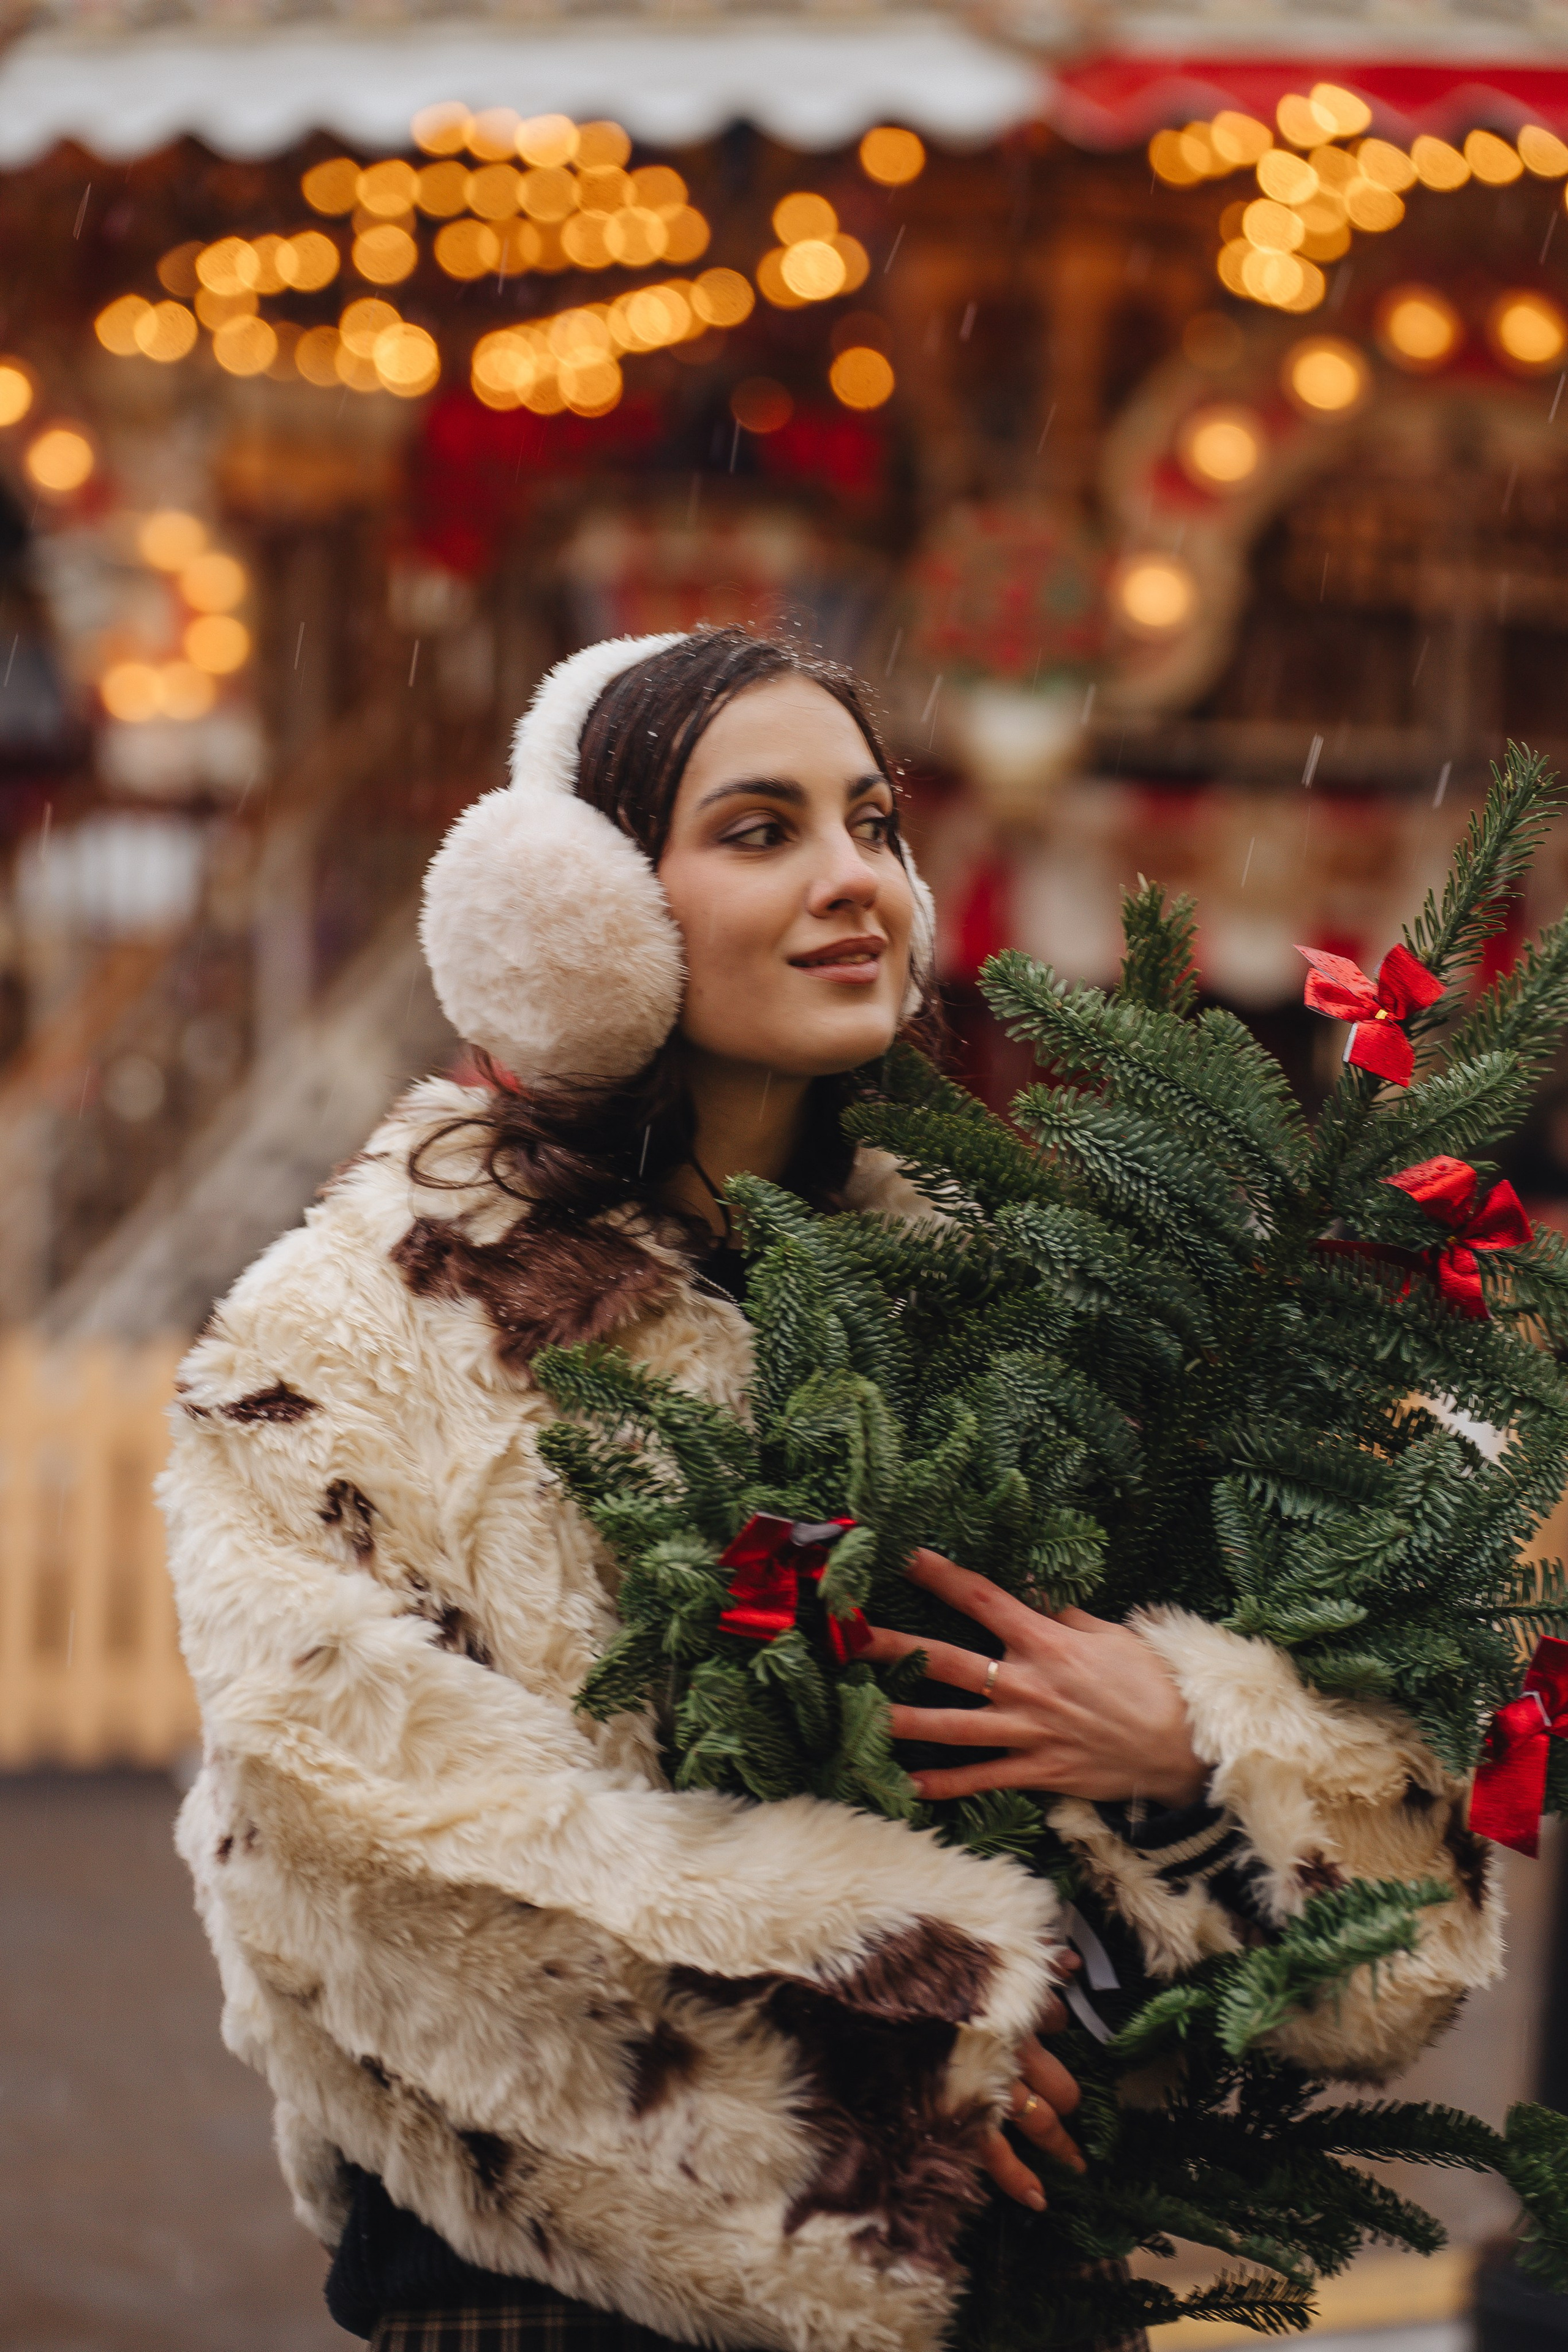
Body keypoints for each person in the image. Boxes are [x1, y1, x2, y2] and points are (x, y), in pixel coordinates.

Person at [163, 627, 1501, 2352]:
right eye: (759, 830)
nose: (853, 878)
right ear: (582, 915)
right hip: (558, 2297)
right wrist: (887, 2044)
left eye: (872, 822)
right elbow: (351, 1845)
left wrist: (1193, 1740)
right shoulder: (360, 1325)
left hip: (1014, 2289)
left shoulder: (996, 1295)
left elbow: (1368, 1919)